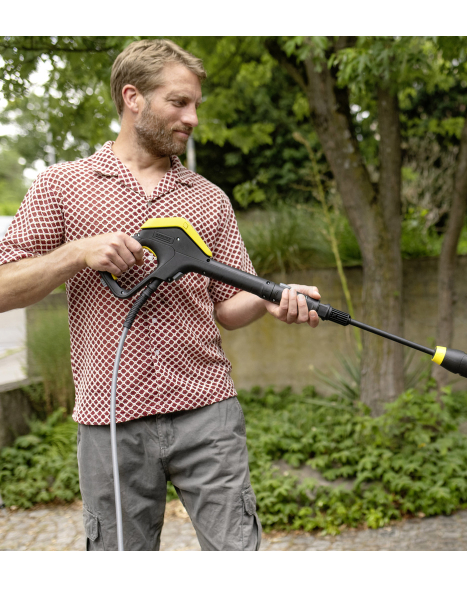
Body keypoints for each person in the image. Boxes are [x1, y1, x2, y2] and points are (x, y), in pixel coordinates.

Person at [0, 39, 321, 551]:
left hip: (207, 412)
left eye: (196, 105)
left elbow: (227, 306)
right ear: (133, 98)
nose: (193, 118)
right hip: (110, 421)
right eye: (179, 102)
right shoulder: (62, 186)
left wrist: (267, 299)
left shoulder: (208, 198)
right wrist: (75, 253)